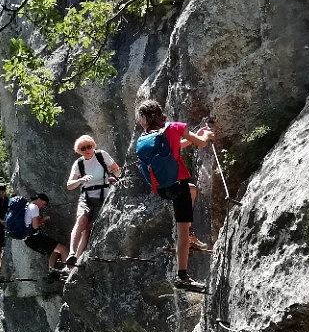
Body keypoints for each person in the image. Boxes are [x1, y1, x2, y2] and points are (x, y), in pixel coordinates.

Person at [134, 99, 214, 290]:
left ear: (144, 119)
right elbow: (202, 144)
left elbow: (175, 148)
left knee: (192, 190)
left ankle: (190, 236)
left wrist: (196, 137)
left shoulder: (145, 138)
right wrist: (207, 134)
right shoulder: (175, 127)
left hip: (163, 188)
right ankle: (182, 276)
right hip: (179, 184)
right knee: (182, 230)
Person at [65, 134, 122, 266]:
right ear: (79, 151)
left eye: (89, 146)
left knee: (89, 229)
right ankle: (72, 254)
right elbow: (69, 185)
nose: (87, 150)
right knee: (81, 220)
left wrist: (113, 176)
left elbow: (117, 170)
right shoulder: (78, 164)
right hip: (87, 197)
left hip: (104, 195)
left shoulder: (102, 156)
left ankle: (75, 262)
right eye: (83, 148)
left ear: (93, 146)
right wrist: (80, 180)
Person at [23, 193, 68, 275]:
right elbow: (35, 226)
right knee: (63, 249)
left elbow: (29, 223)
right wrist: (44, 219)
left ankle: (51, 273)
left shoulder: (27, 207)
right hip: (35, 237)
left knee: (54, 250)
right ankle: (68, 272)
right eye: (43, 204)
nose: (43, 207)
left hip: (28, 240)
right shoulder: (34, 207)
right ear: (39, 199)